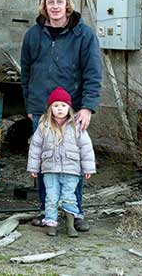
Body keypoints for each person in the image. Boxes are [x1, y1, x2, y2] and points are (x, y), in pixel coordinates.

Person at [20, 0, 102, 231]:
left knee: (72, 163)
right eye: (50, 2)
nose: (55, 7)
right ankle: (48, 211)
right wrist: (31, 104)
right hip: (42, 110)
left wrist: (87, 107)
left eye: (59, 2)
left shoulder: (83, 35)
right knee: (46, 162)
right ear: (44, 7)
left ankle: (74, 213)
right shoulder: (34, 35)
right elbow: (26, 72)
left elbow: (93, 72)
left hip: (72, 110)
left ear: (67, 6)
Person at [27, 86, 96, 237]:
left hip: (71, 170)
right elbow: (35, 147)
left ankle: (70, 224)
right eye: (56, 106)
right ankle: (51, 224)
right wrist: (34, 167)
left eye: (63, 106)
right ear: (50, 108)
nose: (60, 109)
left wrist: (88, 169)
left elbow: (86, 148)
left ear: (69, 108)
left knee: (69, 197)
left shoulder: (77, 126)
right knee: (50, 197)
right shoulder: (44, 125)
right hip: (50, 170)